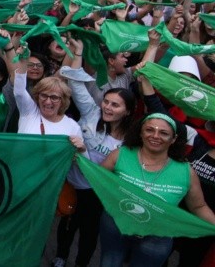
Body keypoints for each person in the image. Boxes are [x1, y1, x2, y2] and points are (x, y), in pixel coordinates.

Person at [54, 40, 136, 267]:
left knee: (89, 232)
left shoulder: (130, 141)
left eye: (115, 105)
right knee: (67, 223)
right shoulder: (92, 113)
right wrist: (79, 52)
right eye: (106, 102)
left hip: (97, 192)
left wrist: (82, 152)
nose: (107, 107)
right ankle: (60, 257)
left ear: (128, 111)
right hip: (72, 182)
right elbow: (75, 82)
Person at [98, 114, 215, 267]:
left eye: (163, 133)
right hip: (115, 227)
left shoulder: (186, 171)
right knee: (109, 263)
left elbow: (198, 206)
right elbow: (97, 179)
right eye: (149, 130)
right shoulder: (120, 155)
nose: (155, 136)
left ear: (173, 139)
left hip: (157, 238)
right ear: (141, 133)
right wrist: (77, 155)